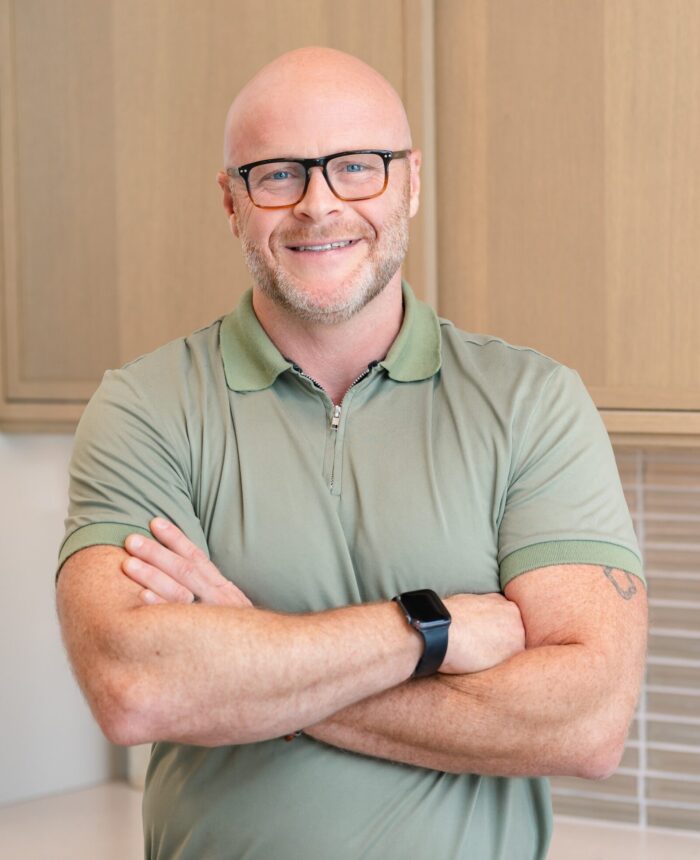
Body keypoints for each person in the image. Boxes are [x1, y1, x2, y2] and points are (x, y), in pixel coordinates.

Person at [56, 47, 647, 859]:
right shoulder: (145, 408)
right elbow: (136, 688)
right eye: (278, 175)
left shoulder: (531, 404)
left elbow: (588, 723)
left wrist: (247, 658)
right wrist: (426, 631)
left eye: (356, 167)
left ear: (410, 182)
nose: (319, 205)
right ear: (231, 202)